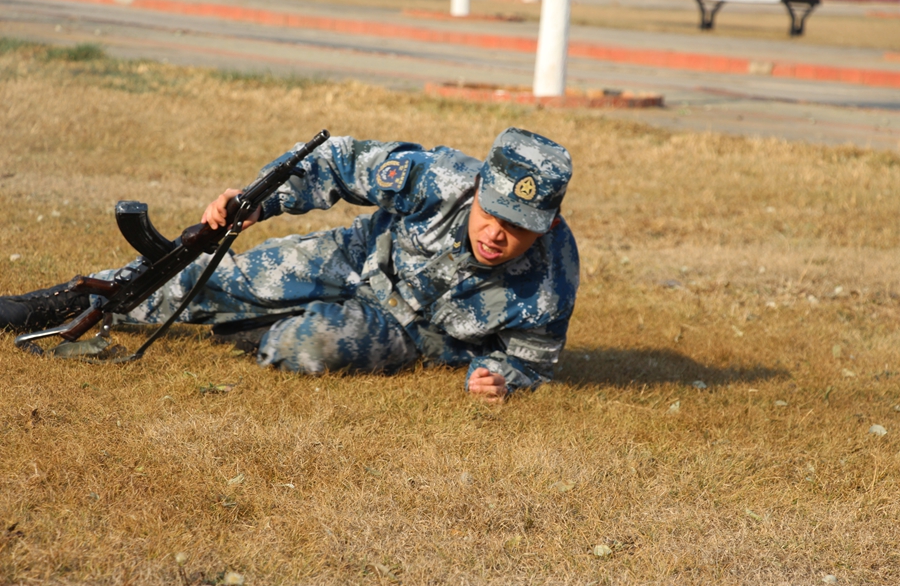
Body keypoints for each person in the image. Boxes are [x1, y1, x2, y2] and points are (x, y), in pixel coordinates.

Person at [0, 128, 579, 402]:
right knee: (219, 279)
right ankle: (47, 306)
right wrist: (260, 202)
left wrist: (502, 380)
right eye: (491, 213)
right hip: (358, 260)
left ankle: (259, 327)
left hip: (407, 331)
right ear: (478, 188)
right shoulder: (439, 178)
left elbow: (532, 359)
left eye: (519, 226)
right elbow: (334, 163)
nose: (496, 234)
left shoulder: (554, 276)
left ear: (546, 225)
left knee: (304, 347)